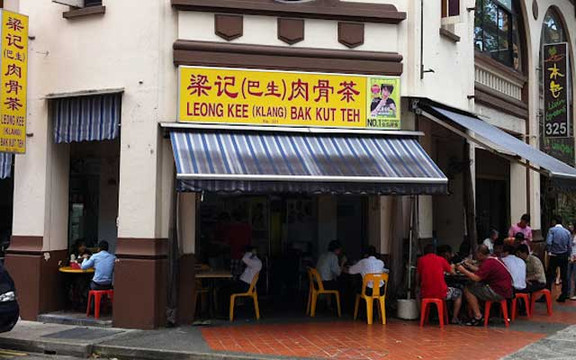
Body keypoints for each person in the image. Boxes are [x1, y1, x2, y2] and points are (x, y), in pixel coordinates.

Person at [457, 245, 513, 326]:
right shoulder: (494, 258)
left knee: (468, 288)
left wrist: (463, 270)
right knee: (475, 286)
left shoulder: (488, 263)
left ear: (480, 254)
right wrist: (469, 266)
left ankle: (478, 316)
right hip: (506, 289)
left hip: (498, 292)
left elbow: (476, 278)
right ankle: (479, 310)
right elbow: (482, 270)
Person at [417, 244, 463, 324]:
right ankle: (454, 318)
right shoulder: (441, 259)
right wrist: (452, 266)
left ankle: (423, 317)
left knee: (418, 294)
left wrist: (417, 285)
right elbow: (452, 273)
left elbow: (418, 275)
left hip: (425, 293)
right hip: (442, 293)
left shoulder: (421, 260)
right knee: (459, 292)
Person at [546, 215, 572, 302]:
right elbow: (569, 246)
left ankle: (547, 294)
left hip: (554, 255)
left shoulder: (552, 230)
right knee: (564, 276)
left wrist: (549, 251)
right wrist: (568, 255)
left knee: (550, 275)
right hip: (564, 255)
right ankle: (564, 295)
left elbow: (549, 242)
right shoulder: (567, 232)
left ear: (554, 222)